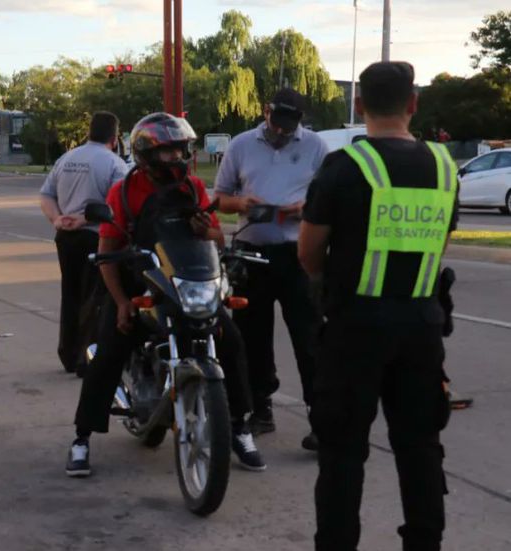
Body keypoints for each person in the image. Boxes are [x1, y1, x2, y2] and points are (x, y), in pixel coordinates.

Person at [299, 61, 458, 551]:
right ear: (413, 104)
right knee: (421, 450)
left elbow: (308, 253)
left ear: (360, 105)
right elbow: (439, 241)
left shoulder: (345, 166)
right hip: (422, 327)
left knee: (343, 455)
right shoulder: (445, 167)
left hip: (356, 329)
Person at [66, 113, 263, 478]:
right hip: (137, 282)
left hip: (186, 283)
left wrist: (208, 233)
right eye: (169, 152)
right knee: (109, 349)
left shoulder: (193, 189)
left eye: (181, 151)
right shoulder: (124, 191)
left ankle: (238, 427)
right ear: (146, 154)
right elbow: (106, 252)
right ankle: (81, 438)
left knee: (232, 342)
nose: (178, 159)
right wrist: (123, 302)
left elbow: (217, 240)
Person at [213, 88, 329, 450]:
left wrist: (306, 207)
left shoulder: (316, 147)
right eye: (276, 124)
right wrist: (240, 202)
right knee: (252, 337)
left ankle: (321, 418)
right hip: (252, 252)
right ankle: (259, 409)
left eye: (289, 127)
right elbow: (218, 197)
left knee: (310, 337)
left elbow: (329, 195)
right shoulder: (242, 145)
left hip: (300, 252)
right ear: (266, 113)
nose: (281, 133)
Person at [39, 111, 128, 376]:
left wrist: (58, 219)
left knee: (71, 293)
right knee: (95, 298)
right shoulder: (114, 164)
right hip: (95, 236)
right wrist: (82, 219)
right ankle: (85, 358)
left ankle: (67, 352)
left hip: (65, 236)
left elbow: (46, 195)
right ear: (114, 137)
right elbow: (116, 206)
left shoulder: (67, 158)